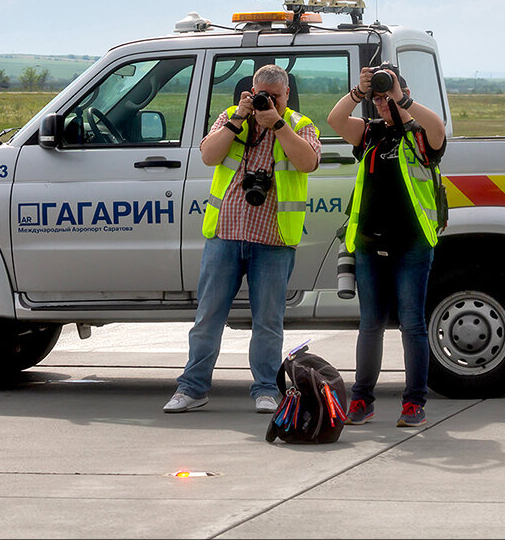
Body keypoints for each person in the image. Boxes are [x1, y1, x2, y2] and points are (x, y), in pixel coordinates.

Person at [164, 64, 321, 414]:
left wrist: (276, 124)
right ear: (250, 91)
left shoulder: (300, 124)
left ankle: (266, 389)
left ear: (286, 96)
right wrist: (240, 118)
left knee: (268, 321)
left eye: (275, 97)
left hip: (273, 240)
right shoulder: (232, 116)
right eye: (261, 94)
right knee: (208, 316)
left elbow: (308, 162)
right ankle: (192, 388)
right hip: (226, 235)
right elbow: (208, 155)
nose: (268, 101)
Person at [326, 66, 445, 428]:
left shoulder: (420, 135)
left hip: (412, 244)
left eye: (386, 97)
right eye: (377, 99)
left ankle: (414, 403)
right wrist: (358, 92)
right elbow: (336, 119)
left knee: (412, 325)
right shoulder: (371, 134)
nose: (381, 104)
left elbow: (438, 129)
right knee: (370, 324)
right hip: (369, 244)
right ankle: (362, 399)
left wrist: (400, 98)